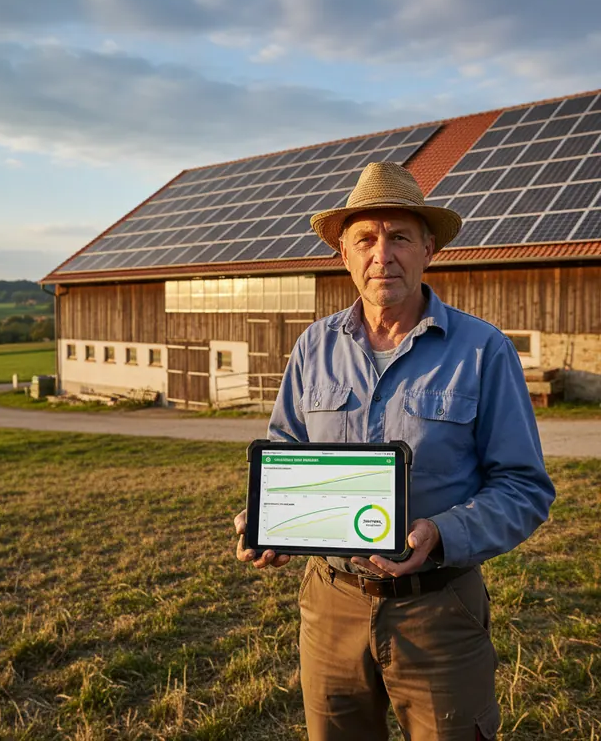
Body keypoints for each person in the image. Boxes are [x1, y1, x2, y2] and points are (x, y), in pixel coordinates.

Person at [234, 162, 555, 741]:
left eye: (400, 236)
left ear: (428, 247)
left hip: (437, 607)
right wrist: (267, 516)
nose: (383, 254)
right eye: (366, 239)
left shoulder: (484, 350)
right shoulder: (313, 346)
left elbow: (524, 487)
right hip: (330, 606)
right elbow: (285, 448)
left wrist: (441, 533)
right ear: (344, 254)